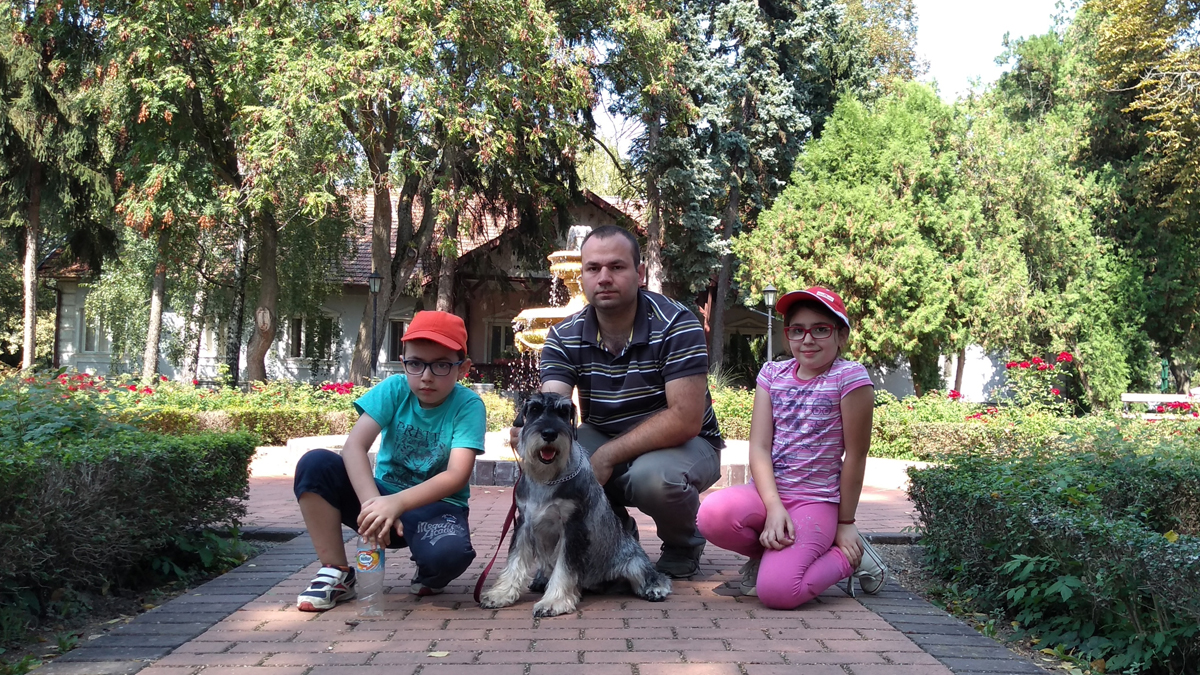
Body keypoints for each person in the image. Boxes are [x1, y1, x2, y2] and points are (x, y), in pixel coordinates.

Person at [517, 225, 724, 579]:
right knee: (564, 461)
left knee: (653, 478)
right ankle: (613, 538)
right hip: (604, 430)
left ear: (640, 274)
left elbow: (685, 418)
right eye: (593, 268)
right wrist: (528, 432)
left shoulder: (677, 324)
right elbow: (555, 407)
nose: (604, 278)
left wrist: (608, 455)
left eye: (617, 267)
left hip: (687, 441)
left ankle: (683, 543)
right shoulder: (563, 336)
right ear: (581, 275)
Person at [695, 287, 887, 609]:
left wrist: (846, 523)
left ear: (841, 336)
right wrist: (773, 508)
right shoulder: (772, 374)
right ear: (787, 336)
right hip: (769, 492)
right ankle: (773, 554)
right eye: (797, 330)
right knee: (712, 515)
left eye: (820, 329)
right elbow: (758, 448)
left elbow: (855, 456)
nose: (807, 339)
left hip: (816, 500)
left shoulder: (849, 378)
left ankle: (851, 558)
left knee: (778, 593)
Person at [292, 310, 485, 611]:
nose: (427, 376)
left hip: (436, 506)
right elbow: (354, 446)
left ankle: (430, 572)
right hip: (381, 501)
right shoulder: (394, 390)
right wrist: (375, 505)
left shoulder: (468, 405)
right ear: (403, 360)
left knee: (450, 555)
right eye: (416, 363)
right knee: (315, 464)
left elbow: (456, 475)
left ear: (463, 369)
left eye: (442, 365)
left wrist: (397, 504)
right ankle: (337, 571)